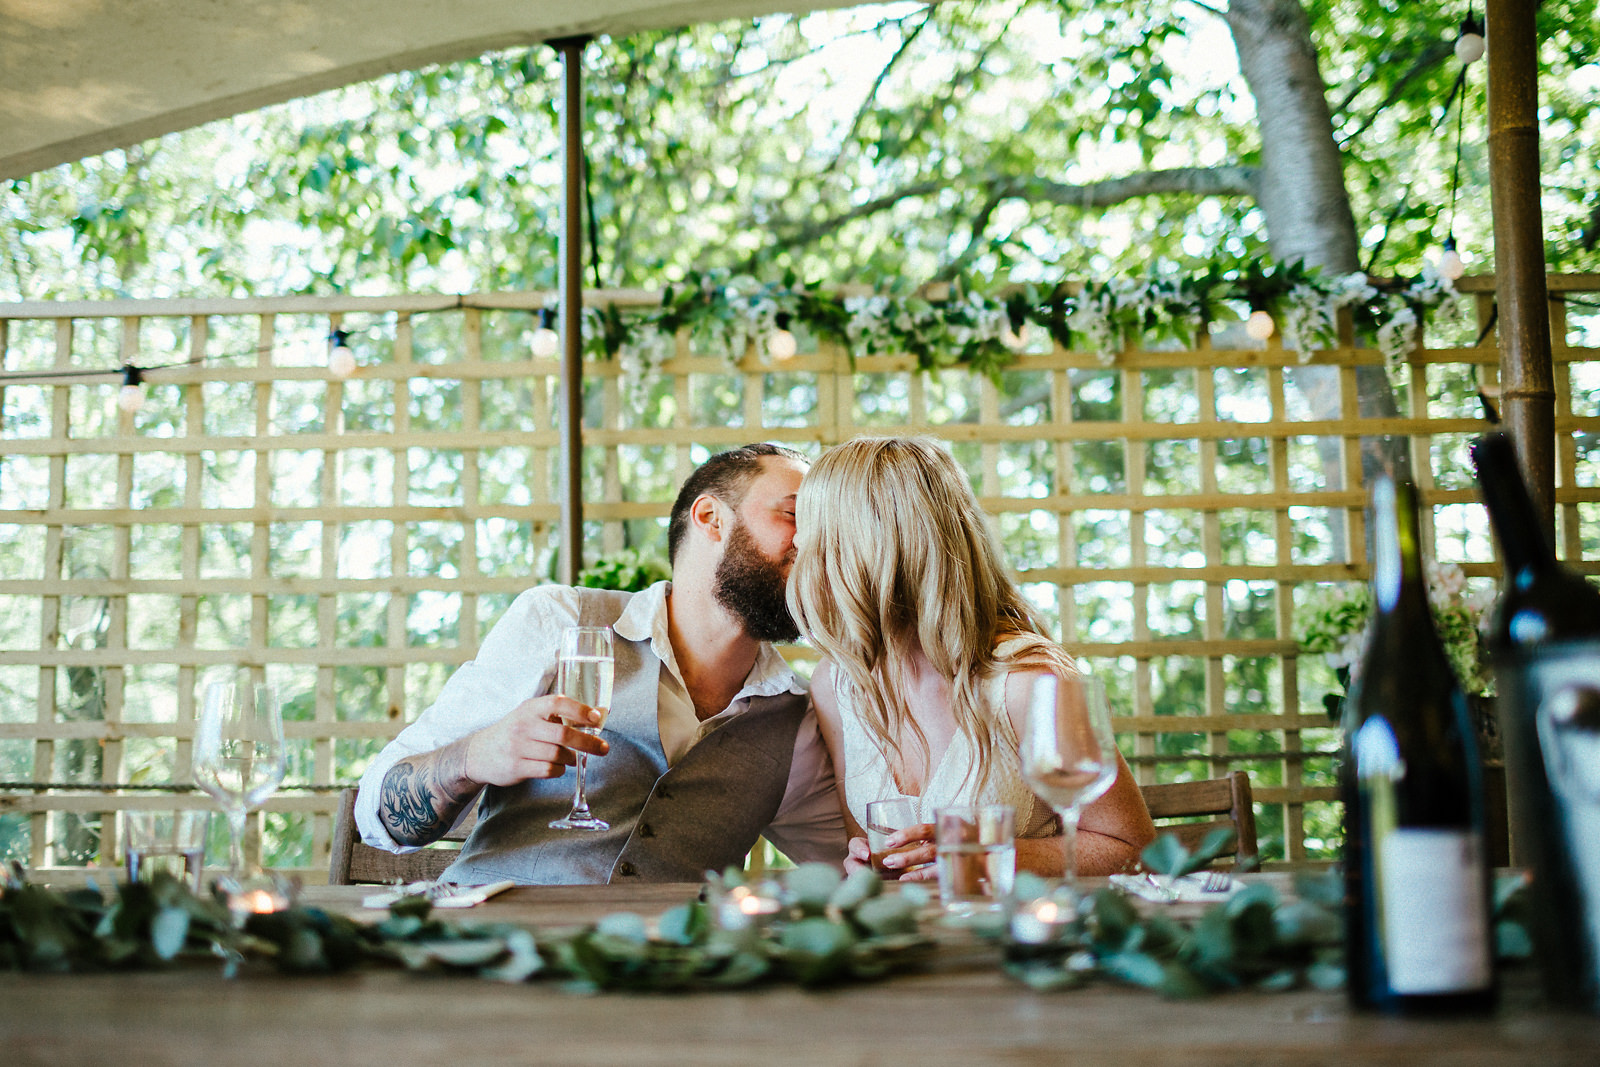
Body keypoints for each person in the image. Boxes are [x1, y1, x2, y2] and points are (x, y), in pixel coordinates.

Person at [355, 443, 847, 883]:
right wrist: (474, 757)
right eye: (793, 515)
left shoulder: (797, 718)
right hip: (490, 952)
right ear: (711, 518)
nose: (815, 544)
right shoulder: (559, 620)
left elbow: (850, 864)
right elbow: (377, 813)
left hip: (667, 971)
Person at [786, 436, 1155, 879]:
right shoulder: (839, 684)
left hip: (1018, 936)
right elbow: (875, 855)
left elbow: (1135, 850)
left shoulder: (1026, 684)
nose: (799, 554)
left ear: (869, 550)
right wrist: (868, 861)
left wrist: (987, 854)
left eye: (812, 540)